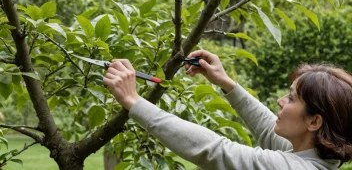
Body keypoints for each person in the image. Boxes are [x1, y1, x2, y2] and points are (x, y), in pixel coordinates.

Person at [103, 50, 352, 170]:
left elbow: (216, 150)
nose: (280, 101)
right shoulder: (317, 157)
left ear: (314, 122)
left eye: (291, 98)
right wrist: (226, 83)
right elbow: (267, 128)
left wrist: (133, 100)